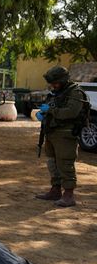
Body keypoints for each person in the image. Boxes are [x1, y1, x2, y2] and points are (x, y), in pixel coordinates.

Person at [35, 66, 89, 207]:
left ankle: (69, 195)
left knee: (65, 163)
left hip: (66, 134)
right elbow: (51, 105)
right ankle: (55, 190)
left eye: (55, 83)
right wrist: (42, 113)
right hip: (52, 132)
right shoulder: (57, 92)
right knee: (52, 163)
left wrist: (51, 110)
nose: (53, 86)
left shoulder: (75, 93)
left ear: (63, 80)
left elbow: (71, 112)